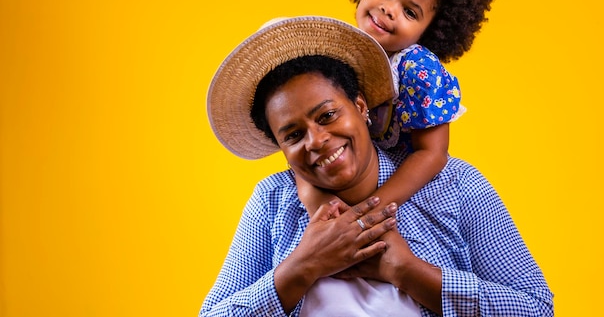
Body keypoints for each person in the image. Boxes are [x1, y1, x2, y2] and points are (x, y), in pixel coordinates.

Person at [200, 16, 554, 316]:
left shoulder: (455, 185)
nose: (316, 141)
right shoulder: (272, 201)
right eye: (293, 135)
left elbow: (537, 308)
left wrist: (410, 272)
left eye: (327, 115)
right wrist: (303, 266)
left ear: (360, 106)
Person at [297, 0, 497, 217]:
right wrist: (317, 204)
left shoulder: (417, 68)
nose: (388, 9)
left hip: (402, 189)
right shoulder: (339, 55)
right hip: (348, 178)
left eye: (409, 12)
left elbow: (433, 155)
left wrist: (368, 211)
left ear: (430, 32)